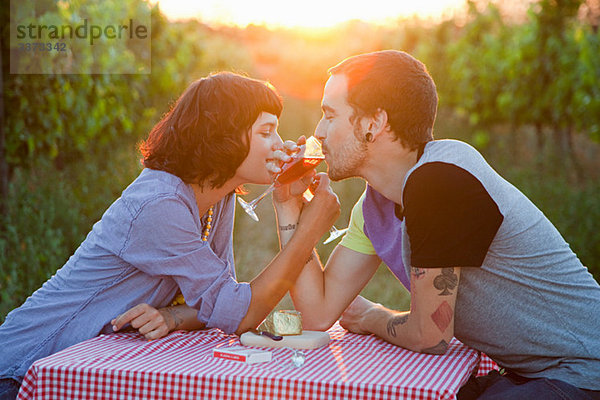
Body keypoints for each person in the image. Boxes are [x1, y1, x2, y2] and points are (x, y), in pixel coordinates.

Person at [273, 50, 600, 399]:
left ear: (373, 123)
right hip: (534, 374)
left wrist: (373, 317)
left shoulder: (440, 179)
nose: (318, 132)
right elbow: (317, 313)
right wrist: (290, 208)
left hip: (583, 372)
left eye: (329, 115)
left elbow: (431, 336)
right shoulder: (374, 206)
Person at [0, 72, 340, 400]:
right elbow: (242, 313)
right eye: (267, 132)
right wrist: (308, 230)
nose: (281, 145)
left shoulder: (217, 196)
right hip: (24, 370)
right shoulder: (160, 204)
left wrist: (172, 316)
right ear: (224, 135)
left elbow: (217, 304)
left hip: (81, 367)